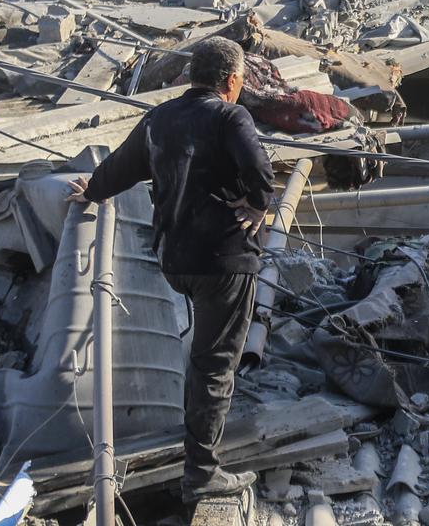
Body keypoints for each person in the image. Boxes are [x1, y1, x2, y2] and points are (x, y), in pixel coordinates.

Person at [65, 37, 275, 504]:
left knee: (204, 357)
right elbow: (261, 172)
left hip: (175, 259)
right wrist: (259, 204)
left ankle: (194, 440)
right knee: (215, 366)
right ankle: (202, 472)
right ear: (232, 81)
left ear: (190, 77)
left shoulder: (161, 117)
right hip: (222, 261)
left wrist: (93, 191)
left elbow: (121, 166)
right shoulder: (229, 115)